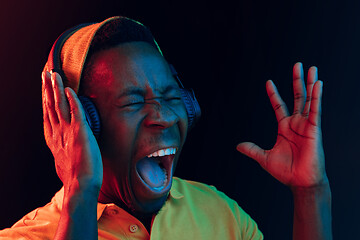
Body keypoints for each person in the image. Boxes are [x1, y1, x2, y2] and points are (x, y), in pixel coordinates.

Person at [0, 16, 332, 239]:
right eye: (132, 102)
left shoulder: (221, 215)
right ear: (81, 123)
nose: (166, 116)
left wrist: (311, 192)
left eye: (171, 97)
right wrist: (80, 191)